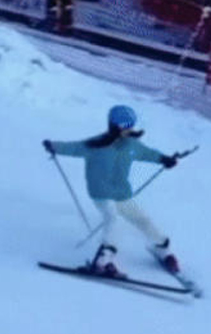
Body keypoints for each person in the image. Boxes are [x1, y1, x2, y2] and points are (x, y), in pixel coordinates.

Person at [42, 105, 181, 277]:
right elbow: (74, 147)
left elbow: (149, 154)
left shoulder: (132, 145)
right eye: (125, 125)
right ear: (114, 126)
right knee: (112, 219)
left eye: (131, 125)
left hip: (122, 193)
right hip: (101, 193)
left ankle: (162, 249)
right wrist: (54, 146)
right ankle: (103, 260)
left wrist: (165, 159)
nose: (130, 129)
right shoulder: (95, 145)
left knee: (142, 219)